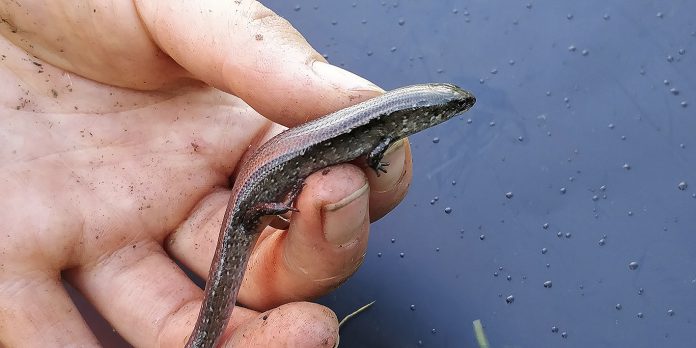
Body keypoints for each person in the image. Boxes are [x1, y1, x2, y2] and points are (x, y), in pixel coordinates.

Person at [0, 1, 417, 347]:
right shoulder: (382, 127)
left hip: (260, 192)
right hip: (256, 199)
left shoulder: (382, 122)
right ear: (420, 116)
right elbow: (378, 148)